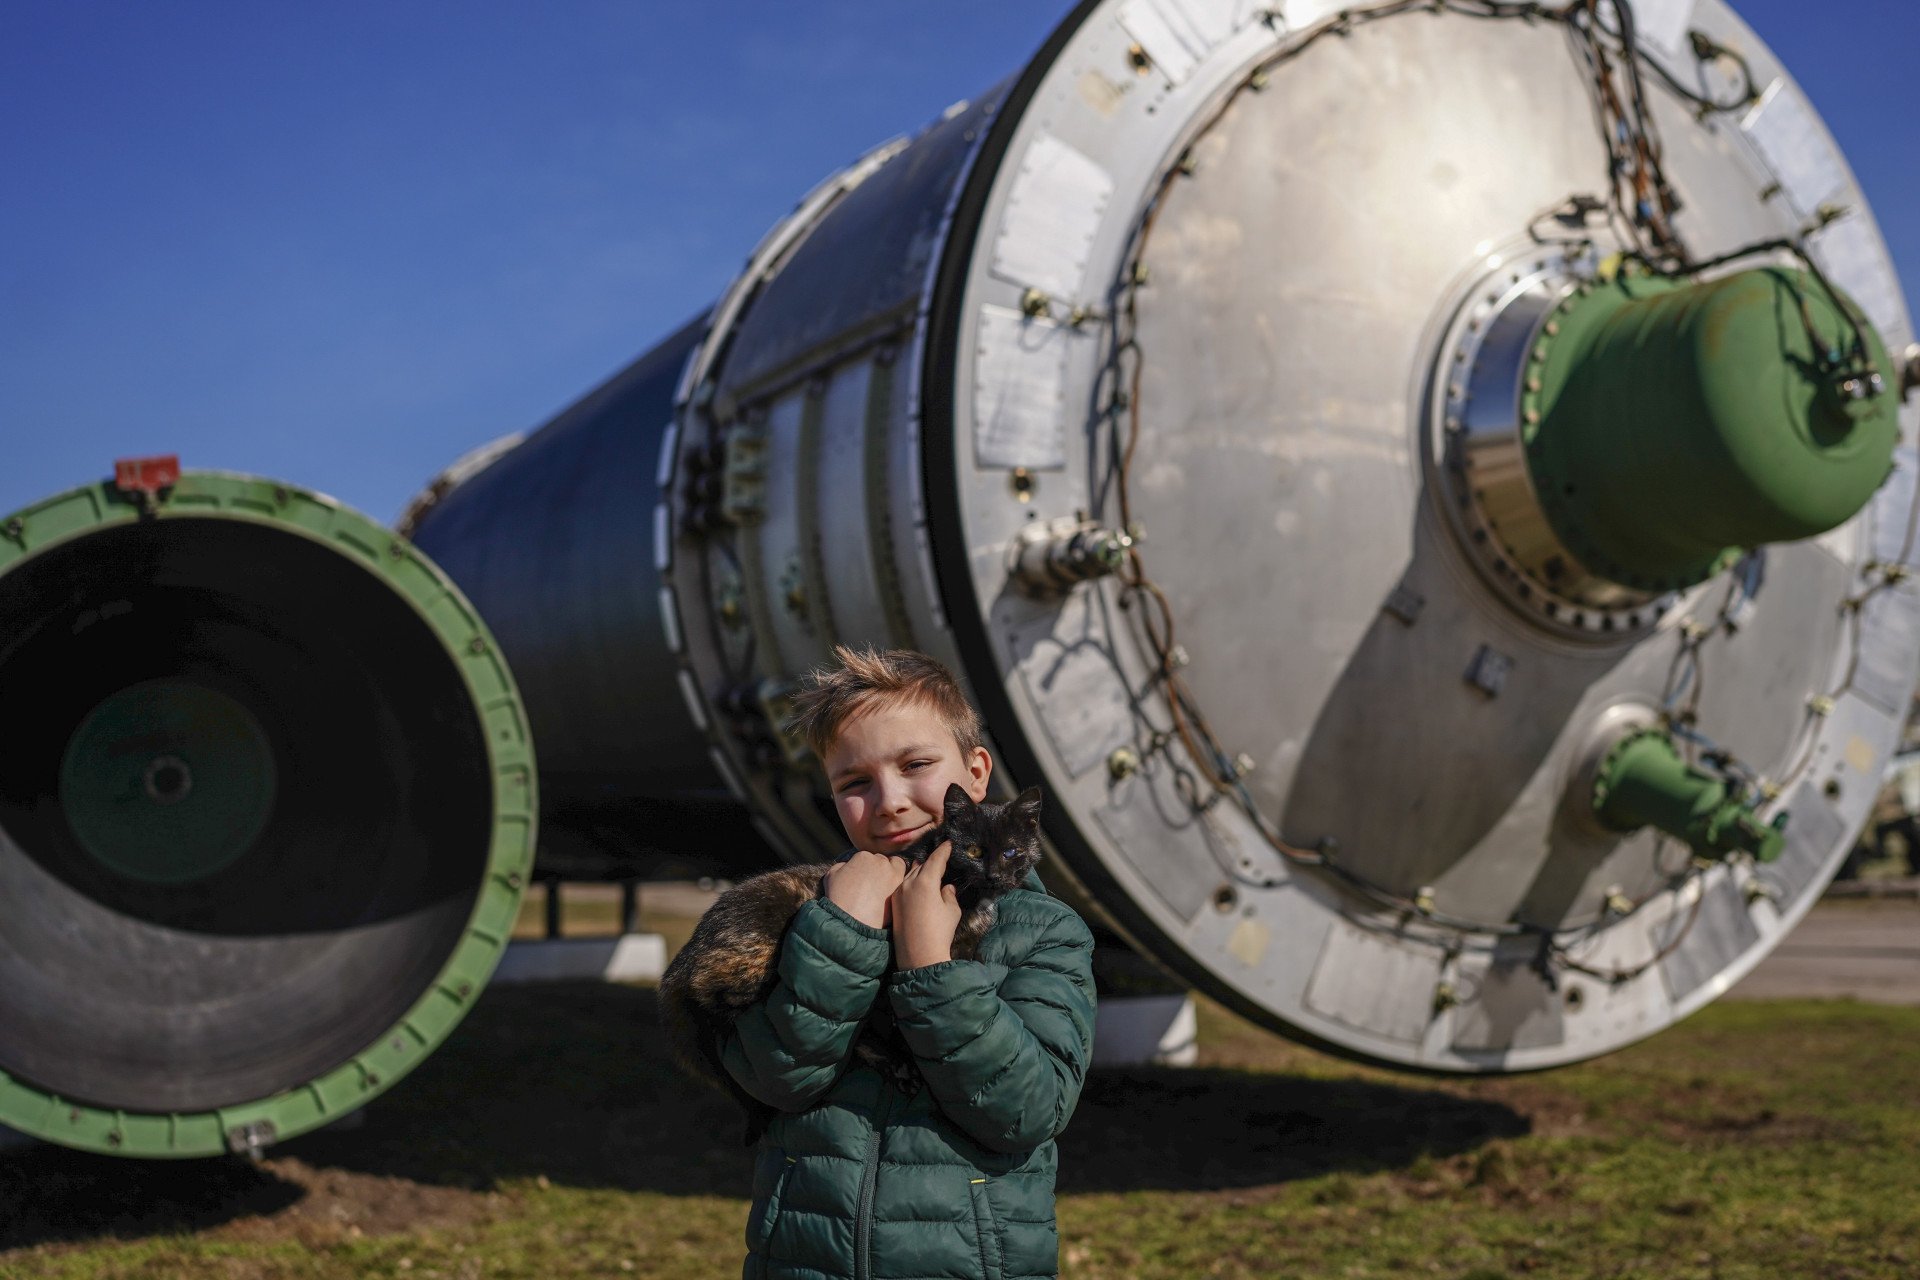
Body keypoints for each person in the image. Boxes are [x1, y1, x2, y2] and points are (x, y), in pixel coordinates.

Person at [718, 645, 1095, 1280]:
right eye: (854, 783)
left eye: (916, 764)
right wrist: (842, 934)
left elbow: (1028, 1110)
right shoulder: (805, 918)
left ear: (976, 774)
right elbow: (771, 1079)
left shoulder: (1044, 932)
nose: (889, 800)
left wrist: (930, 968)